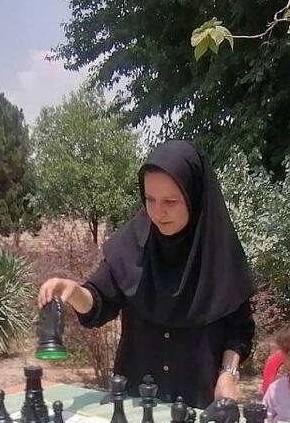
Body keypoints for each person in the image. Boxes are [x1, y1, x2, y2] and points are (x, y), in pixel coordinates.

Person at [38, 140, 256, 409]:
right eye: (150, 200)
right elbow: (99, 304)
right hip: (134, 403)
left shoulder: (220, 253)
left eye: (170, 201)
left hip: (197, 403)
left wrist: (228, 374)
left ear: (194, 196)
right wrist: (74, 292)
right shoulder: (132, 244)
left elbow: (239, 330)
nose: (158, 212)